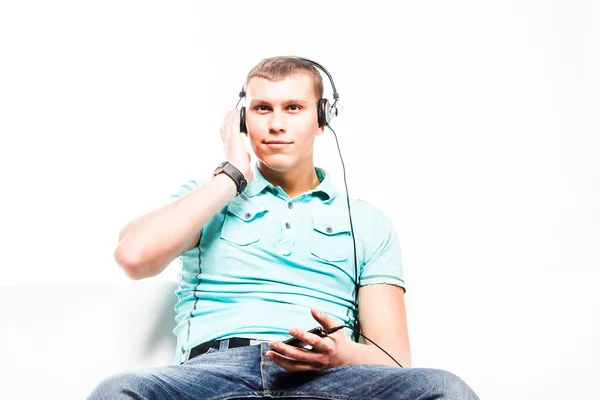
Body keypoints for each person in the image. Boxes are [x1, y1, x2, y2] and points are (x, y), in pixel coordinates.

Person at [88, 56, 479, 399]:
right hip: (211, 375)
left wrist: (343, 354)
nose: (276, 124)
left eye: (293, 107)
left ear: (321, 120)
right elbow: (133, 257)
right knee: (116, 392)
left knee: (446, 389)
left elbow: (393, 360)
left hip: (329, 378)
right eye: (261, 108)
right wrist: (233, 175)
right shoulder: (207, 196)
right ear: (242, 119)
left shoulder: (366, 222)